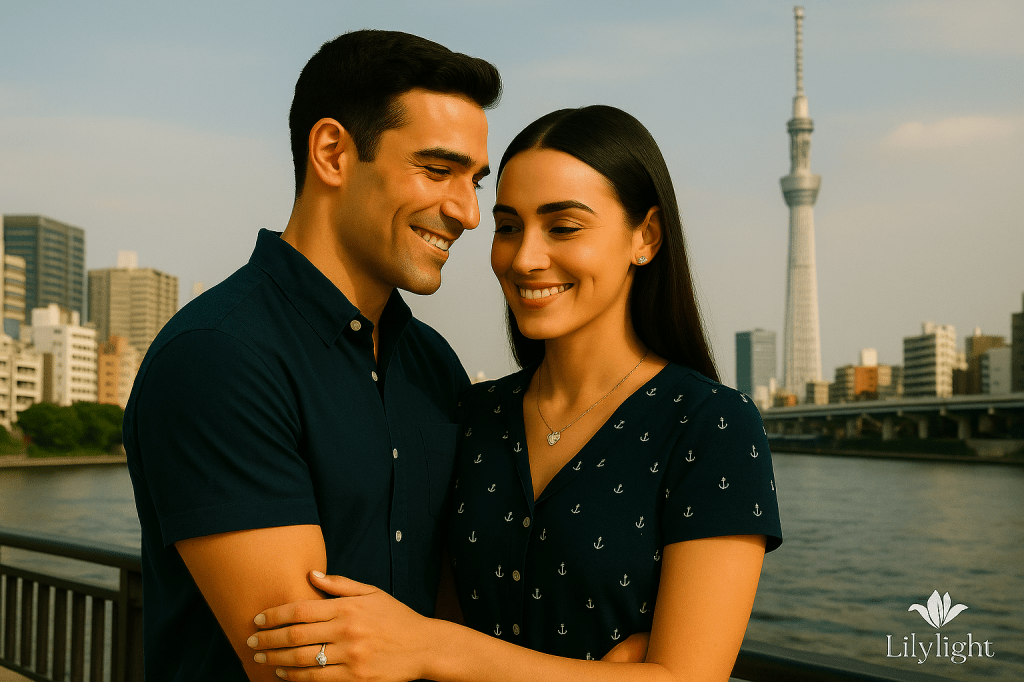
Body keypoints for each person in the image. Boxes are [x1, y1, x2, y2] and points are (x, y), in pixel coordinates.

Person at [246, 105, 783, 681]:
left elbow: (687, 679)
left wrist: (432, 647)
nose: (524, 258)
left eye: (564, 227)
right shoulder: (473, 414)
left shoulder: (713, 425)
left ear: (645, 237)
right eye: (507, 227)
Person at [124, 30, 500, 681]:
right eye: (438, 171)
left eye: (475, 181)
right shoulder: (219, 358)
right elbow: (300, 667)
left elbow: (453, 605)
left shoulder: (434, 364)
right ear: (331, 153)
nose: (468, 213)